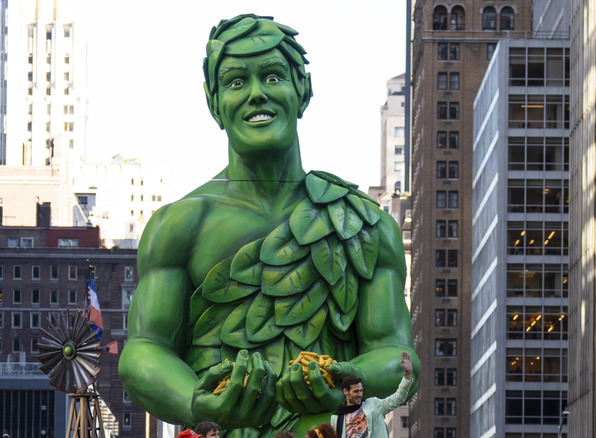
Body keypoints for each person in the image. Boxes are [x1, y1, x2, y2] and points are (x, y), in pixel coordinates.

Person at [118, 14, 418, 438]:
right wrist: (196, 400)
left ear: (303, 91)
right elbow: (142, 351)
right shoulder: (179, 225)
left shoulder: (365, 224)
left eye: (273, 76)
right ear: (214, 101)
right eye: (237, 81)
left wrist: (344, 378)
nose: (257, 94)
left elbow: (397, 351)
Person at [330, 352, 414, 438]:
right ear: (345, 391)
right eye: (356, 391)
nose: (359, 394)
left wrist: (407, 375)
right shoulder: (336, 418)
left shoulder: (374, 405)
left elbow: (397, 399)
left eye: (361, 391)